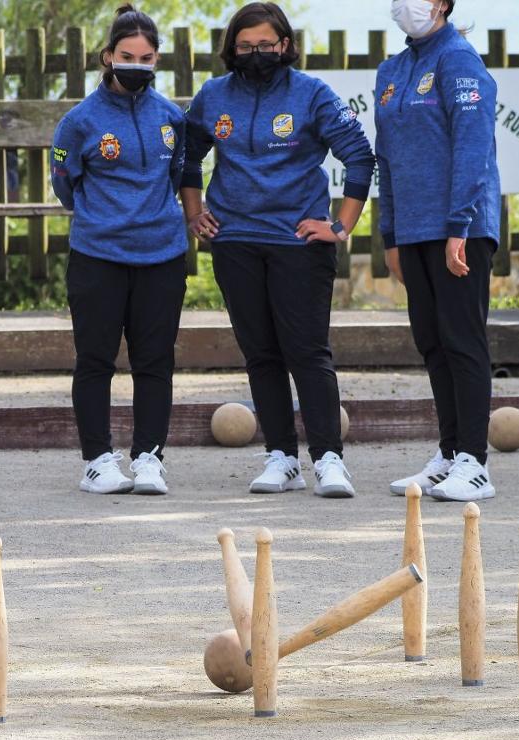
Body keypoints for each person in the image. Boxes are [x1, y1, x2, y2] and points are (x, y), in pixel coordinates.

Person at [181, 1, 375, 498]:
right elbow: (188, 153)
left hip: (297, 243)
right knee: (261, 353)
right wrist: (193, 211)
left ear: (284, 45)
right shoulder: (214, 95)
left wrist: (340, 224)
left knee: (307, 352)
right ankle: (281, 458)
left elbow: (358, 153)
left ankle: (329, 460)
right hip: (235, 242)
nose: (255, 54)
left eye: (265, 46)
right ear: (232, 50)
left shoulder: (311, 94)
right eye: (244, 47)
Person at [51, 4, 188, 496]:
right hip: (98, 258)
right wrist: (103, 216)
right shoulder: (79, 121)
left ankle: (149, 457)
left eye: (147, 57)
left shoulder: (172, 116)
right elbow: (65, 183)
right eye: (126, 55)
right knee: (95, 361)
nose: (137, 65)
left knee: (155, 362)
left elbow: (177, 175)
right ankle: (97, 461)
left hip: (163, 257)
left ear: (156, 60)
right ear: (107, 57)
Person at [378, 0, 501, 501]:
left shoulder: (459, 59)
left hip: (460, 229)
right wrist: (389, 233)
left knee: (461, 339)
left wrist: (459, 225)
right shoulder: (392, 70)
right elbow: (386, 155)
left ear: (443, 4)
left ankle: (475, 463)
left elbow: (473, 146)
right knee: (431, 341)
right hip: (413, 230)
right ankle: (449, 455)